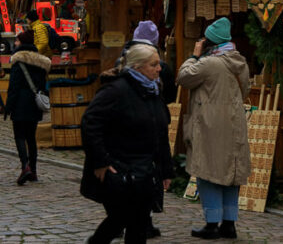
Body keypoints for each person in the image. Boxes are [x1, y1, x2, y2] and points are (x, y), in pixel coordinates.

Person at [81, 43, 174, 244]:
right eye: (154, 64)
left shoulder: (154, 90)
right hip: (120, 168)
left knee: (138, 224)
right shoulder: (116, 90)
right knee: (120, 219)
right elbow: (90, 123)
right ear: (138, 67)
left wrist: (166, 169)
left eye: (159, 64)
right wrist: (101, 161)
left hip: (145, 170)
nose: (159, 69)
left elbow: (161, 132)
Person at [176, 17, 250, 240]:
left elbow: (183, 77)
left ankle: (211, 224)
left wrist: (194, 55)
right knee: (231, 173)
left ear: (209, 42)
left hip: (210, 125)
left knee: (207, 173)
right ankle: (229, 224)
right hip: (234, 124)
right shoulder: (240, 61)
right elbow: (244, 91)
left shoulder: (209, 63)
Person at [4, 29, 50, 185]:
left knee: (19, 136)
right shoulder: (41, 63)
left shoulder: (18, 61)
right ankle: (34, 171)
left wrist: (8, 107)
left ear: (22, 43)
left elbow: (14, 87)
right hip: (34, 104)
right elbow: (44, 86)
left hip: (20, 104)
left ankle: (25, 166)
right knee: (31, 138)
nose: (15, 43)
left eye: (17, 41)